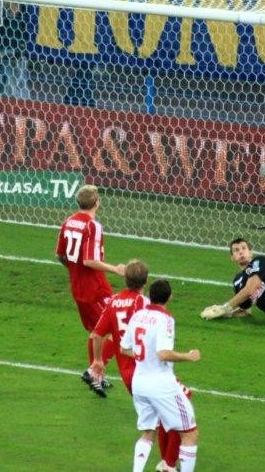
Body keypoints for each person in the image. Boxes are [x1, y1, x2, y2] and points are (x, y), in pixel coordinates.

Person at [89, 261, 185, 472]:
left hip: (128, 375)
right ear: (146, 281)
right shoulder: (144, 303)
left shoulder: (113, 301)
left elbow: (96, 335)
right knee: (177, 409)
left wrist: (97, 361)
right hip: (148, 370)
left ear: (125, 279)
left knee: (153, 424)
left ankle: (156, 465)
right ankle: (168, 463)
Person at [119, 279, 200, 472]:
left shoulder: (137, 315)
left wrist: (143, 356)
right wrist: (188, 356)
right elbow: (163, 354)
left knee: (148, 432)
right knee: (190, 433)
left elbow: (123, 348)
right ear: (169, 297)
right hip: (161, 385)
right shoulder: (166, 319)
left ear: (150, 295)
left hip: (139, 384)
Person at [55, 184, 125, 396]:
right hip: (95, 288)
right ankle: (93, 371)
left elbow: (60, 256)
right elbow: (89, 260)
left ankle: (97, 376)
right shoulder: (92, 226)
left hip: (77, 286)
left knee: (96, 330)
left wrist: (74, 272)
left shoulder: (68, 222)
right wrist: (115, 269)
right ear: (97, 203)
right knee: (117, 329)